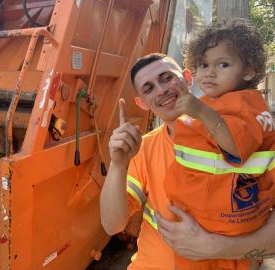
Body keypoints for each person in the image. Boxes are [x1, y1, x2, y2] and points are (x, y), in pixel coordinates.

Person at [99, 51, 275, 270]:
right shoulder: (143, 149)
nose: (162, 90)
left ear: (188, 78)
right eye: (149, 88)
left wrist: (217, 247)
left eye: (167, 78)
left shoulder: (249, 137)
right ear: (142, 103)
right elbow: (112, 224)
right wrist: (118, 164)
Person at [163, 19, 275, 270]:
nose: (209, 73)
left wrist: (200, 111)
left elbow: (236, 145)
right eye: (203, 65)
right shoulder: (225, 102)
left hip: (224, 228)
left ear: (248, 71)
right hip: (207, 223)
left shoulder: (243, 103)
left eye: (223, 64)